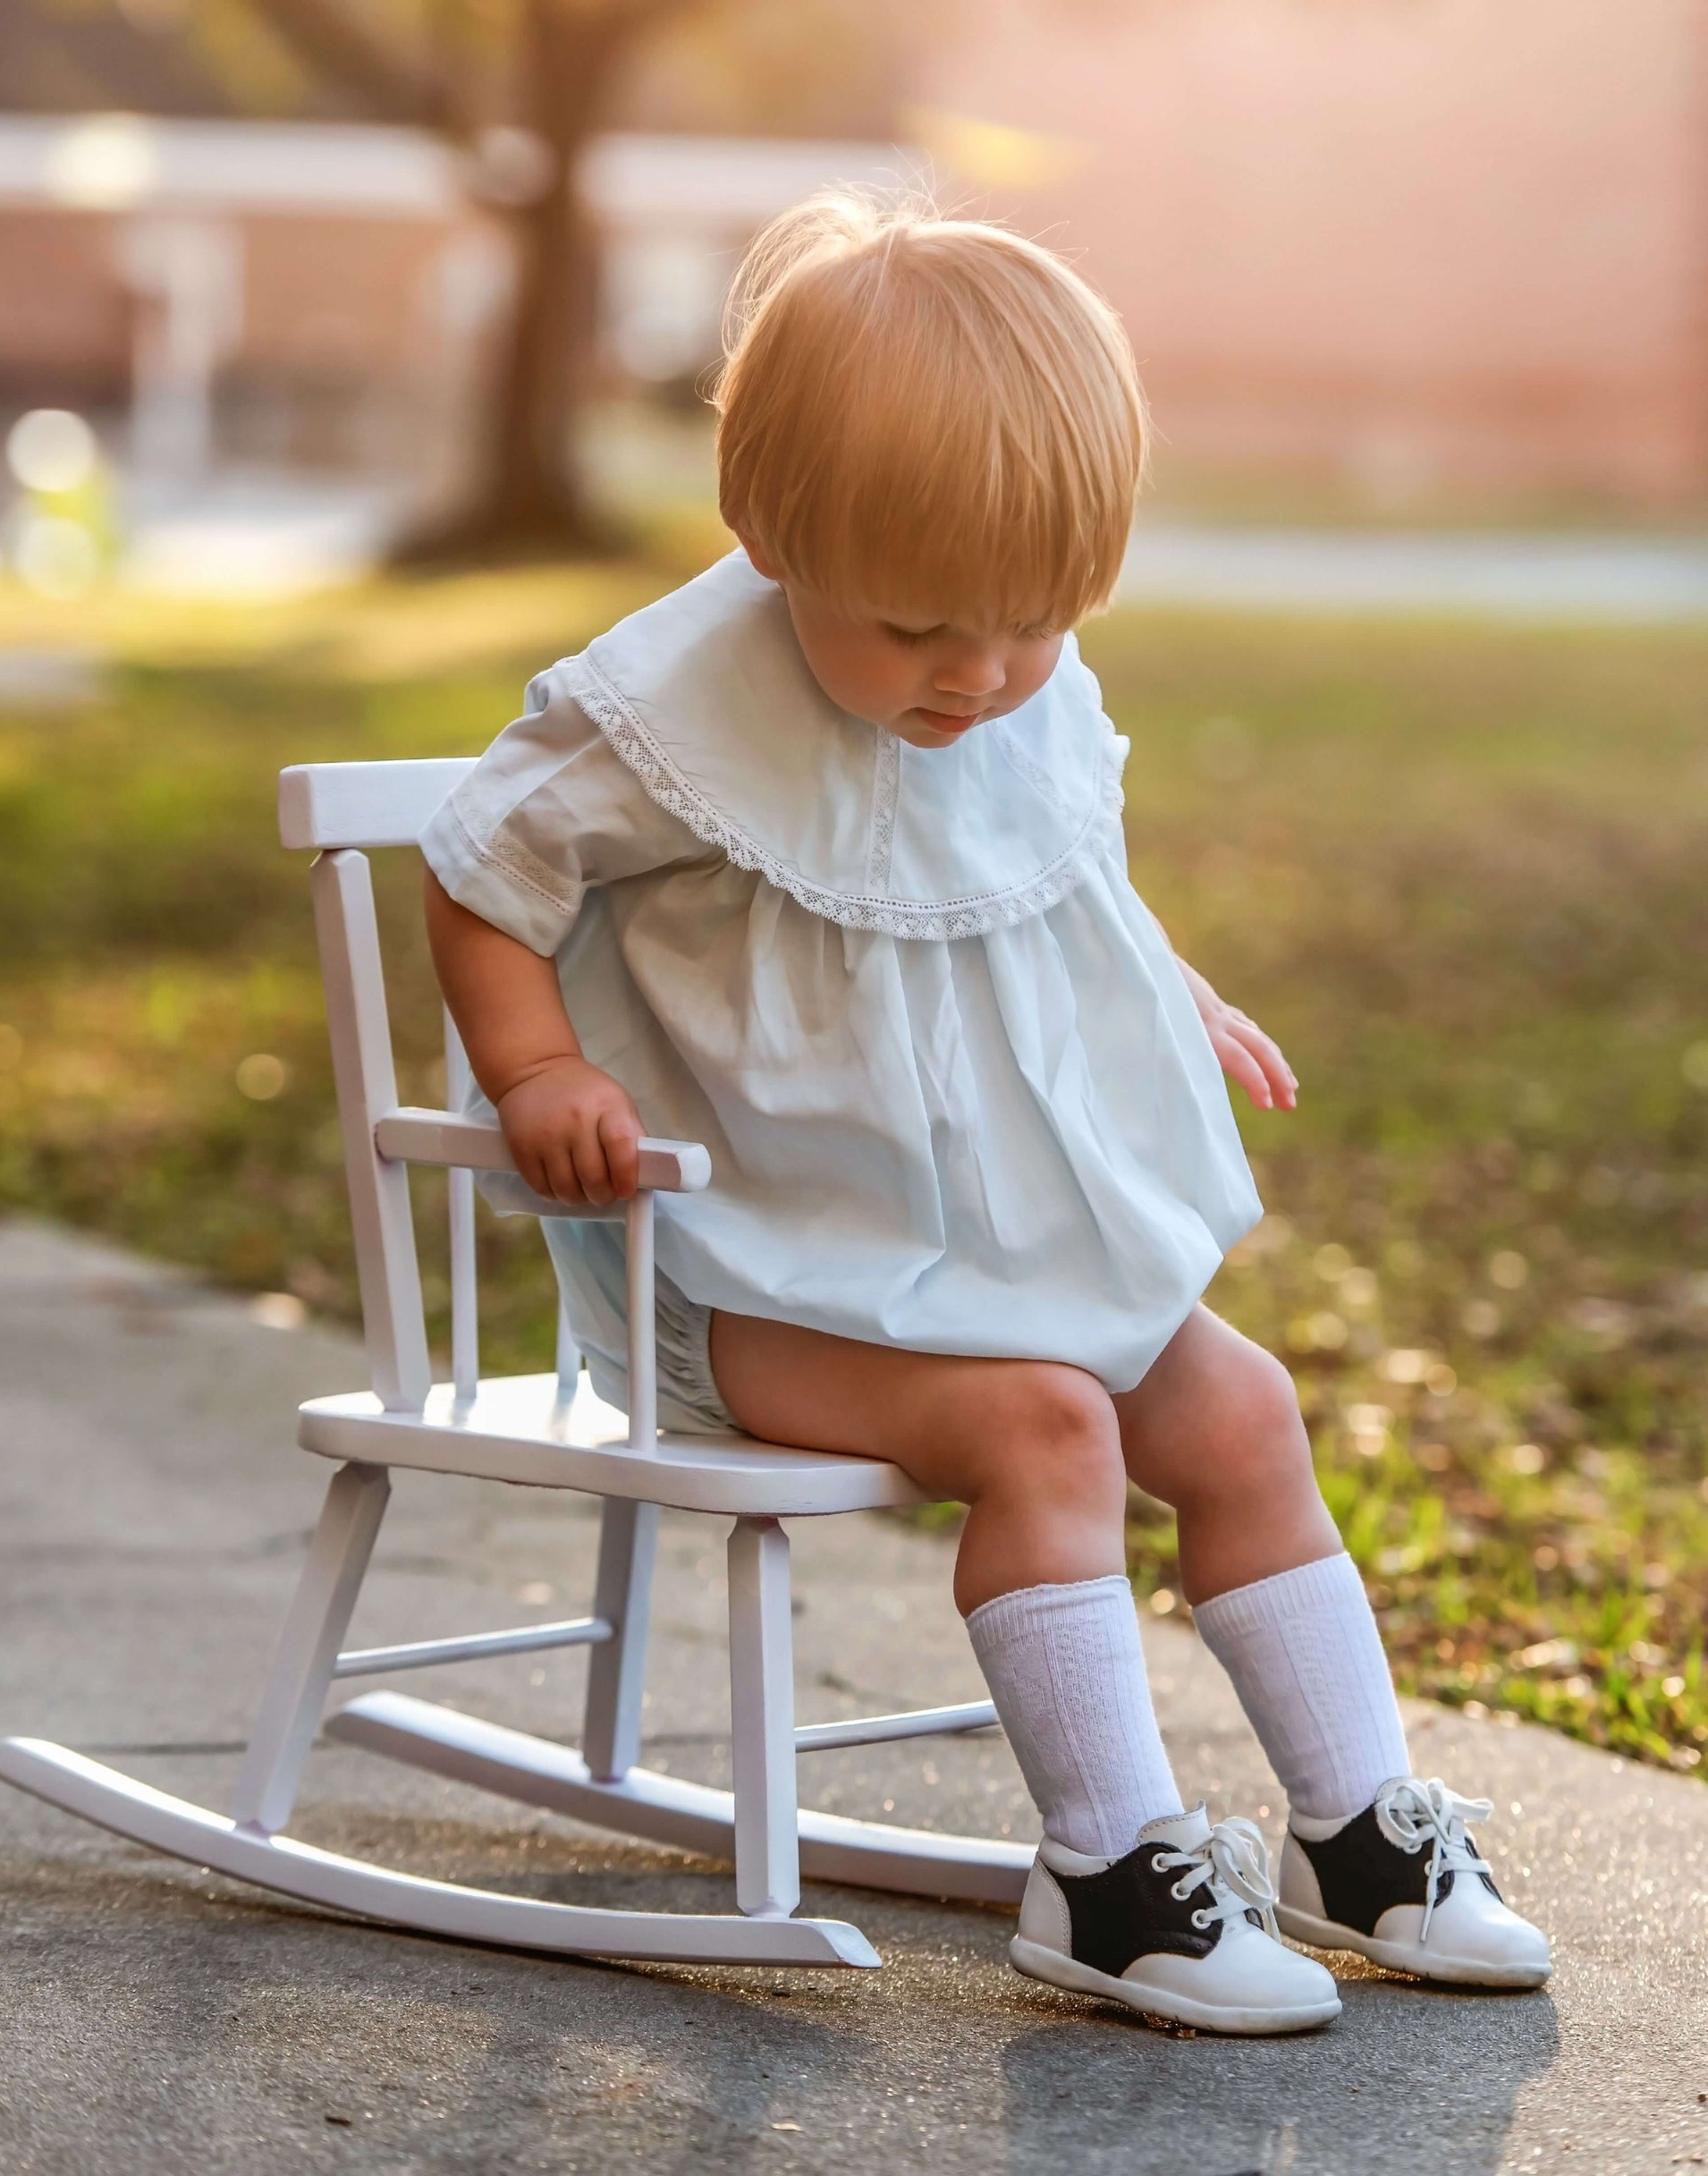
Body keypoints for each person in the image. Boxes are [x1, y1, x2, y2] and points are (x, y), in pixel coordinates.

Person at [421, 191, 1551, 2034]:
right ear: (766, 529)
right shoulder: (655, 713)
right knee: (1045, 1428)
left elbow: (1045, 874)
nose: (981, 673)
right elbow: (478, 872)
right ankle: (1106, 1870)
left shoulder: (1009, 678)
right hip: (771, 1281)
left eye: (1033, 620)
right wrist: (540, 1069)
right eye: (925, 624)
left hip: (1001, 1237)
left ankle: (1356, 1826)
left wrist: (1160, 986)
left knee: (1242, 1404)